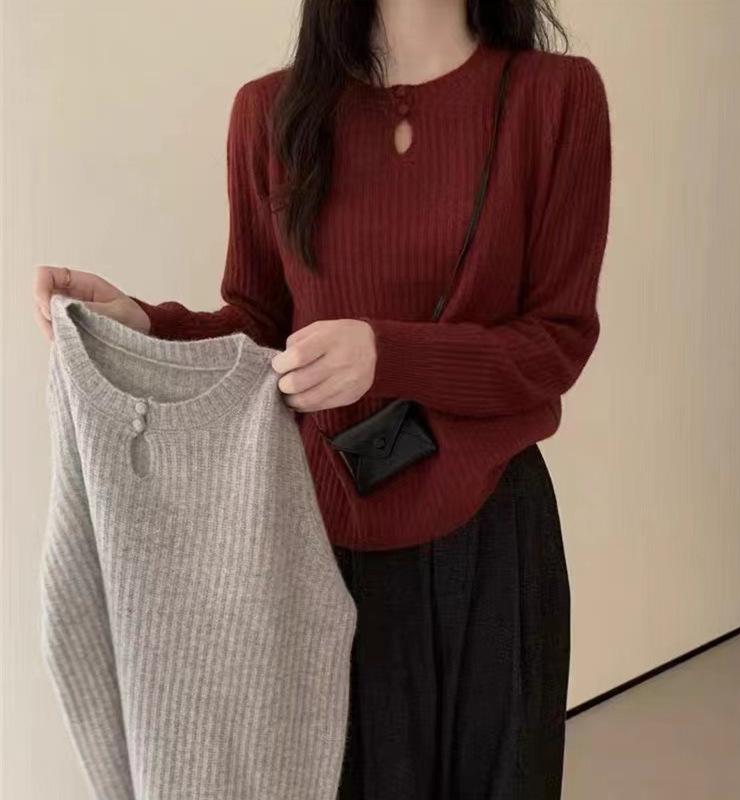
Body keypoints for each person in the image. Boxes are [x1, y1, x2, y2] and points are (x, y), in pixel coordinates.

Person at [33, 1, 612, 796]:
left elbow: (556, 342)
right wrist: (145, 322)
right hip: (316, 535)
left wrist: (388, 354)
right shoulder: (270, 113)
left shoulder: (557, 97)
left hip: (489, 537)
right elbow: (260, 326)